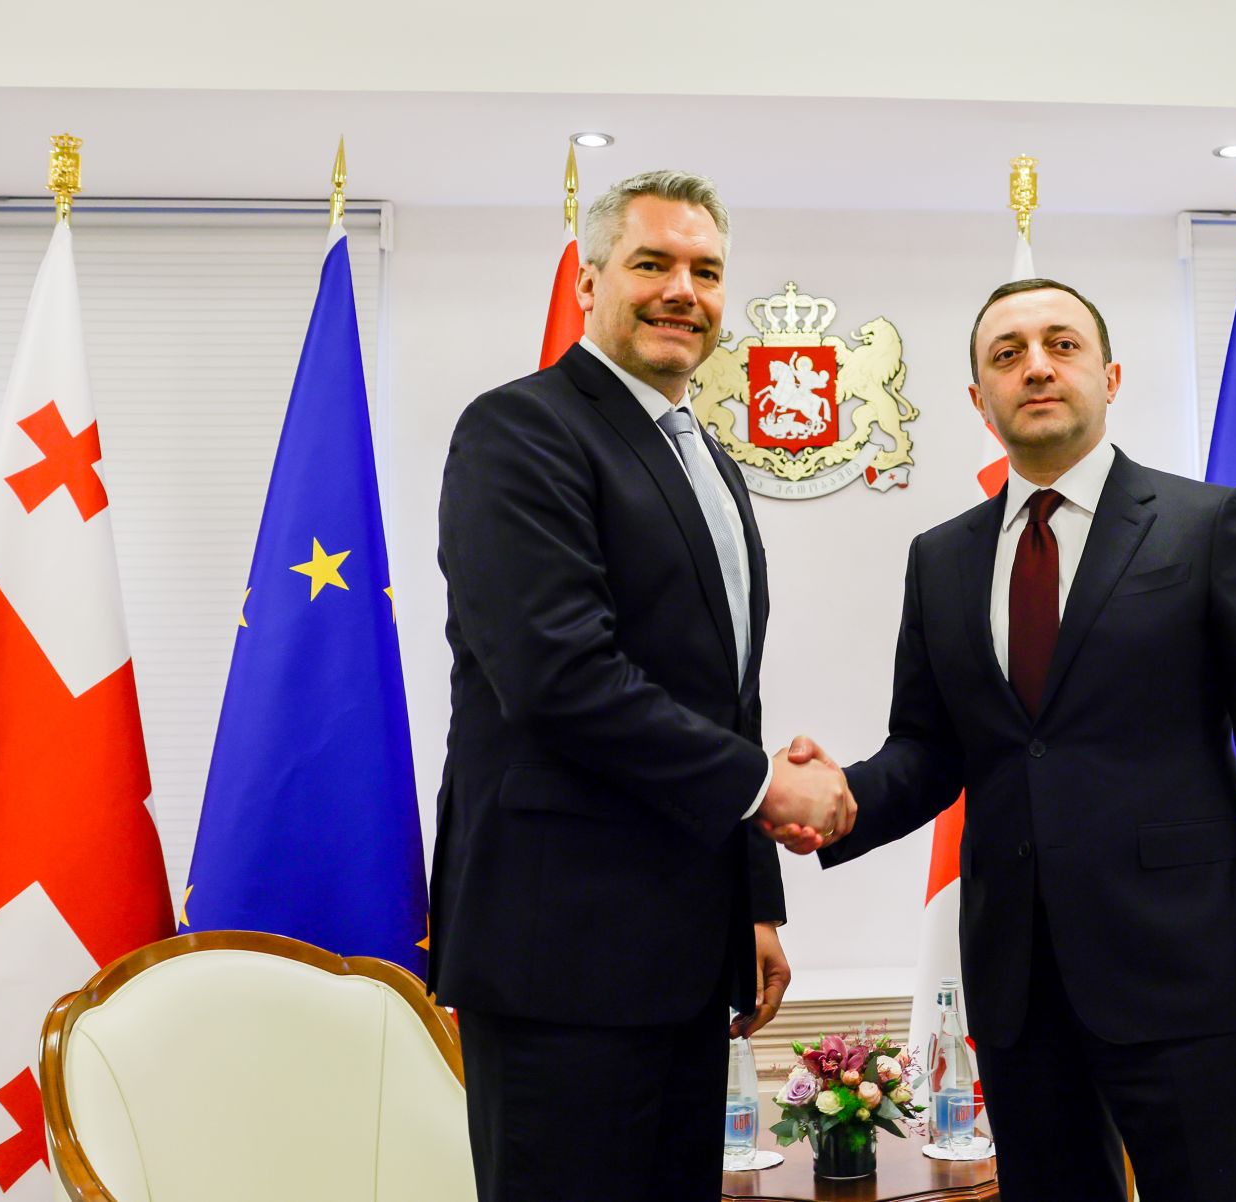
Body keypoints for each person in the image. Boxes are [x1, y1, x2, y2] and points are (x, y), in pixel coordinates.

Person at [804, 278, 1236, 1201]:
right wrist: (838, 802)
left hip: (1188, 982)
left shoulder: (1207, 526)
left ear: (1110, 375)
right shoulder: (941, 558)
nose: (1037, 366)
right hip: (1021, 990)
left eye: (1062, 344)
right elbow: (933, 750)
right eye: (1007, 354)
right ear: (980, 399)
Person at [430, 170, 854, 1202]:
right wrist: (765, 787)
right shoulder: (519, 431)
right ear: (588, 280)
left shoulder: (706, 456)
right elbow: (558, 675)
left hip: (681, 950)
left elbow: (724, 694)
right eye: (651, 263)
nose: (682, 290)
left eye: (705, 270)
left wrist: (752, 903)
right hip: (557, 952)